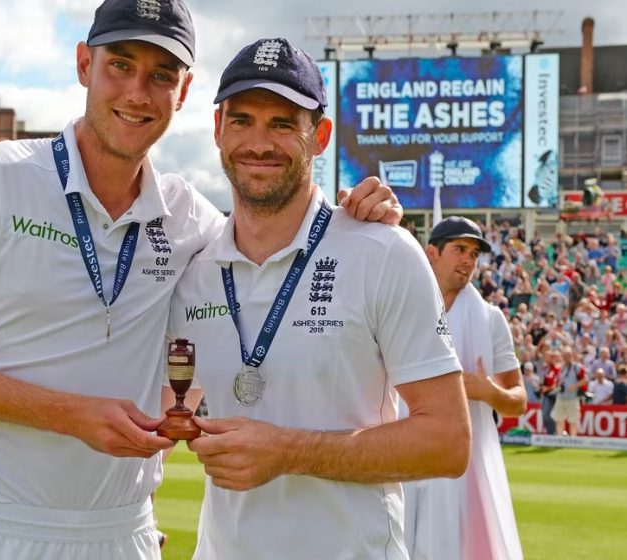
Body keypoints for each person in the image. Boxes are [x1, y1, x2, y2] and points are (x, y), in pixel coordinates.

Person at [0, 3, 401, 558]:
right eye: (120, 65)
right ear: (84, 64)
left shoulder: (192, 220)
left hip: (124, 533)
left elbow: (274, 234)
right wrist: (67, 414)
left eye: (161, 76)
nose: (136, 93)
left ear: (185, 91)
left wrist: (354, 213)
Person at [168, 38, 471, 559]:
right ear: (218, 129)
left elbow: (448, 442)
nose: (258, 143)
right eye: (242, 120)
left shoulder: (383, 250)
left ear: (321, 135)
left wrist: (288, 451)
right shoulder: (191, 268)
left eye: (283, 123)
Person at [403, 216, 527, 560]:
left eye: (474, 253)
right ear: (431, 253)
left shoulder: (490, 319)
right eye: (459, 249)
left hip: (463, 465)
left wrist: (486, 391)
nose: (468, 260)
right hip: (402, 452)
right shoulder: (400, 309)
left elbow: (517, 401)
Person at [552, 347, 587, 436]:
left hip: (573, 398)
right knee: (559, 419)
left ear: (572, 356)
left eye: (568, 355)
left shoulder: (577, 367)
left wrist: (575, 386)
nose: (566, 357)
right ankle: (560, 439)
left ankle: (573, 440)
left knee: (573, 420)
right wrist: (558, 384)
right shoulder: (560, 368)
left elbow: (585, 380)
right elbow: (555, 382)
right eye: (564, 355)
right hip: (560, 397)